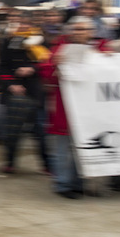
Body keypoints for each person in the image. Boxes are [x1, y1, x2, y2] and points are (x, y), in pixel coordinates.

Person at [39, 17, 101, 198]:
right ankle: (63, 184)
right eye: (76, 29)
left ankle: (78, 182)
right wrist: (54, 64)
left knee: (81, 148)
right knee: (62, 149)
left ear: (91, 31)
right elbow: (45, 74)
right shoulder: (59, 49)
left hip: (87, 109)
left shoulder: (98, 50)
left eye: (83, 29)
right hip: (63, 108)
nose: (79, 32)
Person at [0, 10, 49, 174]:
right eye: (20, 23)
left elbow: (47, 64)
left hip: (34, 90)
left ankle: (47, 164)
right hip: (14, 91)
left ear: (32, 25)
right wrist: (11, 84)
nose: (22, 26)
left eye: (26, 23)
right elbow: (2, 66)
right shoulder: (8, 41)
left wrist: (31, 69)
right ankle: (10, 162)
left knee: (40, 129)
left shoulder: (40, 41)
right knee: (12, 130)